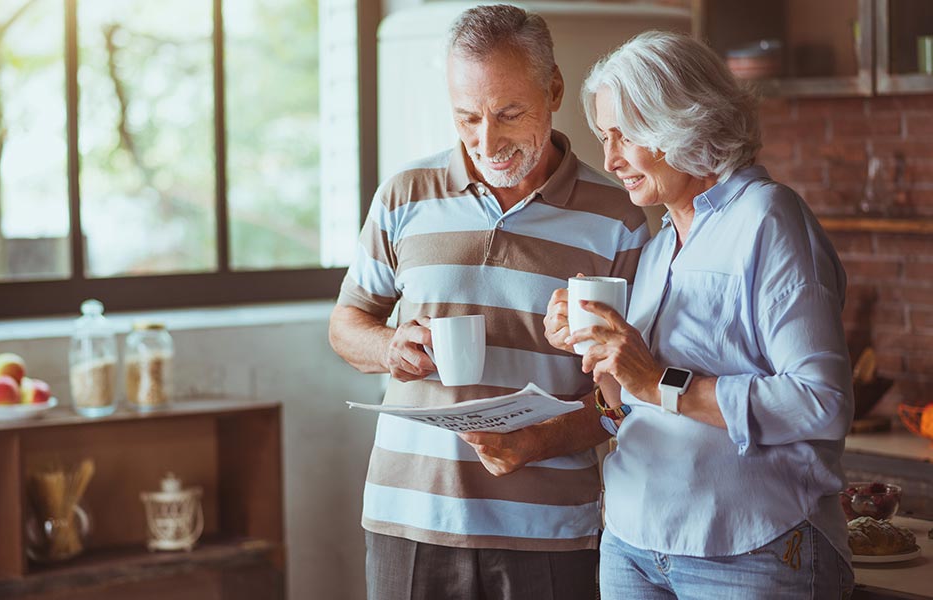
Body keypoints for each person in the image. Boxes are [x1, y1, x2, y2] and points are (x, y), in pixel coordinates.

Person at [328, 4, 649, 599]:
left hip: (549, 531)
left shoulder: (620, 219)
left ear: (552, 89)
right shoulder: (404, 195)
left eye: (508, 114)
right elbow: (347, 325)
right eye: (467, 117)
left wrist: (538, 441)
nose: (486, 140)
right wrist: (389, 346)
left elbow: (629, 401)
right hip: (409, 520)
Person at [544, 31, 855, 598]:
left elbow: (822, 402)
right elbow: (625, 411)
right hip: (631, 544)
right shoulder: (660, 242)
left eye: (625, 136)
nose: (610, 159)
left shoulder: (768, 218)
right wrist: (597, 353)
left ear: (682, 122)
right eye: (603, 137)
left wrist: (659, 381)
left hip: (749, 550)